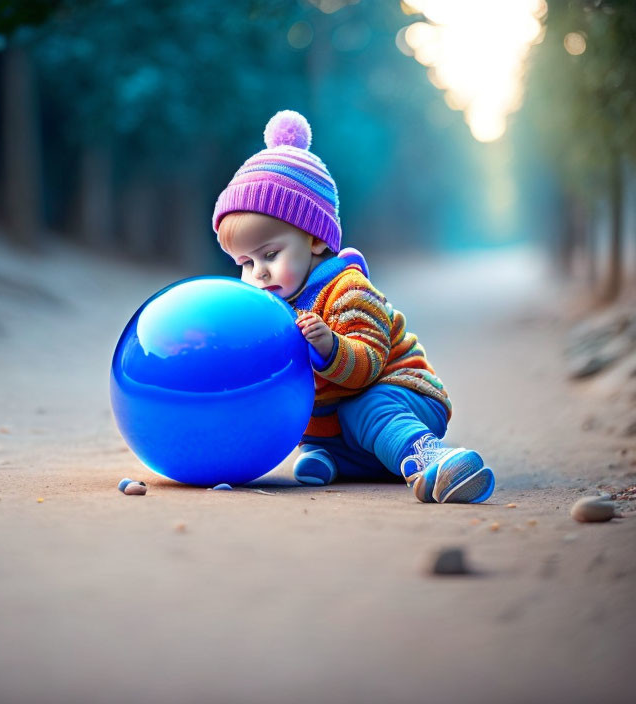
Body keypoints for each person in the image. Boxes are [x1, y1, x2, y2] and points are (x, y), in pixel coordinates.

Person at [212, 110, 494, 503]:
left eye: (270, 254)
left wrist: (329, 347)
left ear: (313, 239)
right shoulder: (272, 304)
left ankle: (427, 455)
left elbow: (368, 366)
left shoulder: (347, 290)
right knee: (311, 415)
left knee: (367, 407)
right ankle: (338, 456)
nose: (258, 273)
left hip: (400, 390)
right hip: (344, 413)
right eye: (245, 263)